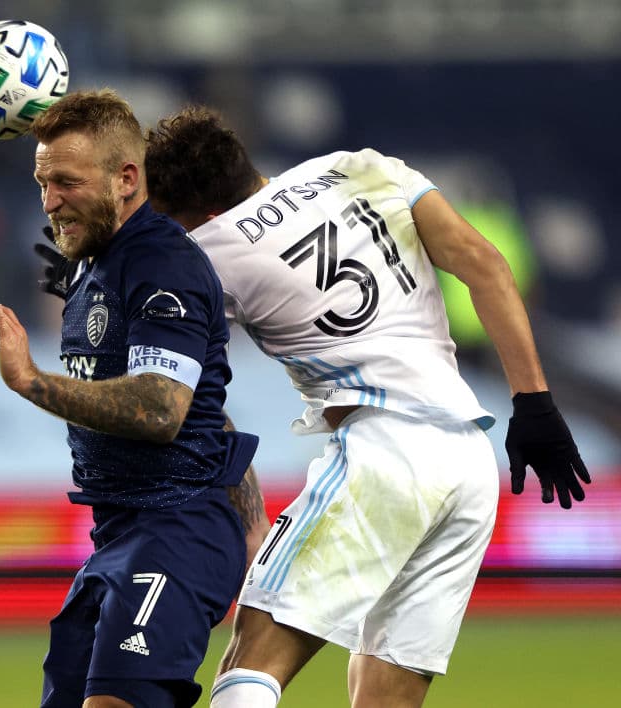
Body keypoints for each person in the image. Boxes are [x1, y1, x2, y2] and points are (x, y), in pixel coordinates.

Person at [38, 104, 589, 707]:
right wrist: (534, 403)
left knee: (253, 661)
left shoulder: (202, 252)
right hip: (468, 459)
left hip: (383, 451)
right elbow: (484, 265)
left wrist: (100, 270)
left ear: (199, 215)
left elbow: (163, 350)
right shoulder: (361, 169)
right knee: (388, 693)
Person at [0, 90, 269, 708]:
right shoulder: (95, 262)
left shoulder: (162, 262)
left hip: (177, 530)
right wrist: (252, 517)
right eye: (41, 181)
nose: (50, 201)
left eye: (66, 182)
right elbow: (205, 401)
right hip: (118, 536)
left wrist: (31, 380)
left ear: (127, 178)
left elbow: (163, 408)